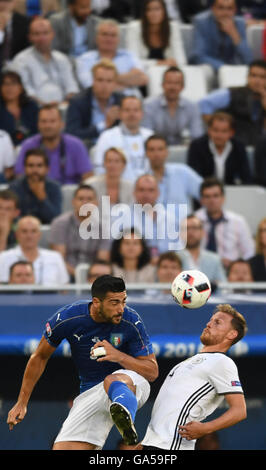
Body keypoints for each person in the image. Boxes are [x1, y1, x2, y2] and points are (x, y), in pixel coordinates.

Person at [7, 275, 159, 449]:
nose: (121, 308)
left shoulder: (131, 321)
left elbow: (152, 372)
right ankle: (120, 414)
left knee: (113, 380)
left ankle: (126, 418)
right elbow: (40, 357)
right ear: (96, 302)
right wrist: (22, 402)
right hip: (91, 392)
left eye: (123, 301)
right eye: (114, 302)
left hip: (131, 384)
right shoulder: (67, 318)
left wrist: (119, 356)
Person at [141, 303, 247, 450]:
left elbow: (239, 411)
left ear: (231, 334)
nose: (208, 324)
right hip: (152, 443)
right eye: (210, 320)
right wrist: (146, 442)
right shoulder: (187, 362)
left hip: (172, 446)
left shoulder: (222, 362)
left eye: (217, 322)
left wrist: (206, 428)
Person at [14, 103, 93, 184]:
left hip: (69, 193)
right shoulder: (28, 146)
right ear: (38, 124)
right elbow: (20, 176)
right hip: (36, 191)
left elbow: (87, 176)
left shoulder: (76, 145)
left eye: (52, 121)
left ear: (62, 124)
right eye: (44, 121)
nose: (48, 126)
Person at [11, 16, 79, 105]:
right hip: (35, 109)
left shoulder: (62, 58)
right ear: (30, 37)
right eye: (36, 34)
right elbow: (25, 92)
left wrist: (64, 105)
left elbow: (72, 88)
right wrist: (47, 108)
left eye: (45, 33)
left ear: (52, 34)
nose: (41, 38)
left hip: (64, 108)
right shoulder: (21, 60)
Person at [49, 184, 110, 280]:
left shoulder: (103, 227)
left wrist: (90, 278)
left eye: (89, 199)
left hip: (94, 277)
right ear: (73, 202)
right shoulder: (59, 224)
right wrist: (80, 277)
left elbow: (102, 260)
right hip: (65, 275)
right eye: (81, 199)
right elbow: (59, 260)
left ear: (96, 203)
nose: (85, 202)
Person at [199, 59, 266, 146]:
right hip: (233, 146)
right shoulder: (232, 93)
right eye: (253, 76)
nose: (257, 81)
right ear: (247, 77)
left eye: (262, 77)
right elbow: (205, 103)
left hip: (260, 148)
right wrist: (218, 129)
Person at [75, 19, 148, 95]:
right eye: (104, 34)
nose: (109, 39)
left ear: (119, 39)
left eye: (113, 35)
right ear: (96, 38)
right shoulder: (85, 59)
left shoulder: (129, 56)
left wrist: (107, 79)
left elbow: (143, 79)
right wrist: (128, 81)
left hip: (132, 104)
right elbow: (92, 86)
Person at [195, 177, 255, 268]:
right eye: (207, 196)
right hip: (198, 271)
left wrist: (235, 264)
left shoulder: (238, 222)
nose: (212, 200)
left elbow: (249, 252)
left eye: (216, 196)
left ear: (223, 198)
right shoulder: (192, 221)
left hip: (230, 272)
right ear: (201, 200)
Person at [93, 95, 153, 181]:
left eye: (136, 110)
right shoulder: (107, 136)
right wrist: (106, 194)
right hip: (117, 189)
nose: (131, 114)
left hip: (147, 189)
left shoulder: (150, 136)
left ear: (142, 114)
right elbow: (99, 169)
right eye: (127, 110)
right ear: (120, 113)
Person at [142, 66, 204, 145]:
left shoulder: (192, 107)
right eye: (169, 82)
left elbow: (197, 135)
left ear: (182, 86)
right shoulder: (148, 105)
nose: (172, 87)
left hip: (183, 151)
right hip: (156, 151)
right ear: (162, 85)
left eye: (177, 83)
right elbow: (147, 136)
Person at [190, 0, 252, 78]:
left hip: (234, 71)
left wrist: (235, 35)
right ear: (213, 9)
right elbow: (198, 55)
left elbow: (248, 59)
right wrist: (224, 68)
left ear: (235, 10)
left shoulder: (240, 23)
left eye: (229, 8)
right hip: (209, 68)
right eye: (221, 8)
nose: (225, 13)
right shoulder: (201, 22)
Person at [65, 60, 122, 145]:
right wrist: (105, 124)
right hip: (87, 147)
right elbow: (72, 134)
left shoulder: (121, 101)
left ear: (115, 83)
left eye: (109, 81)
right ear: (93, 81)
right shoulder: (78, 101)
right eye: (100, 80)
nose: (104, 85)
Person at [0, 215, 69, 285]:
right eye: (24, 231)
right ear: (17, 235)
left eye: (33, 231)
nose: (29, 236)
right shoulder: (3, 257)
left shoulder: (55, 257)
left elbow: (64, 288)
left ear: (39, 234)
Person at [187, 111, 252, 184]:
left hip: (231, 190)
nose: (219, 135)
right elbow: (194, 178)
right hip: (204, 192)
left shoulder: (239, 147)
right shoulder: (197, 146)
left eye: (224, 131)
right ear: (209, 130)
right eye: (215, 130)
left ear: (231, 133)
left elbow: (246, 177)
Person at [144, 134, 203, 214]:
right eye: (152, 150)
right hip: (152, 224)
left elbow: (205, 192)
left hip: (183, 224)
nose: (156, 154)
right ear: (146, 153)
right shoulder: (141, 178)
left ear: (167, 152)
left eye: (160, 149)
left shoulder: (183, 171)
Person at [125, 0, 187, 70]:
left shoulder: (173, 27)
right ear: (144, 13)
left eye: (157, 9)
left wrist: (174, 64)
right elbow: (132, 61)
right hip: (143, 72)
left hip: (168, 72)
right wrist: (158, 63)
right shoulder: (134, 28)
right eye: (149, 10)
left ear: (164, 11)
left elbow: (181, 60)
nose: (153, 13)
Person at [9, 148, 62, 224]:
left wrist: (42, 197)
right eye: (31, 165)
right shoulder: (14, 187)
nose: (35, 170)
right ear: (24, 168)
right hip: (20, 231)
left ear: (47, 169)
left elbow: (55, 219)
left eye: (39, 166)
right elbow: (11, 217)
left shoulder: (55, 187)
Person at [178, 214, 227, 290]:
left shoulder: (214, 259)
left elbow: (224, 287)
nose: (190, 232)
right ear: (180, 233)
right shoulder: (173, 258)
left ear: (202, 233)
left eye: (194, 228)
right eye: (186, 228)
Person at [85, 147, 134, 214]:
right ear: (104, 164)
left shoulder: (131, 187)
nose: (112, 165)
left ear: (124, 165)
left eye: (117, 161)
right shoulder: (90, 185)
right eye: (109, 161)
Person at [0, 70, 38, 146]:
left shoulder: (31, 106)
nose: (9, 88)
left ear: (21, 87)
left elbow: (38, 131)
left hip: (31, 148)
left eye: (13, 84)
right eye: (5, 84)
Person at [0, 0, 30, 70]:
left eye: (8, 1)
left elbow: (26, 49)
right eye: (1, 1)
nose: (4, 5)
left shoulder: (24, 21)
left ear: (14, 2)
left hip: (18, 65)